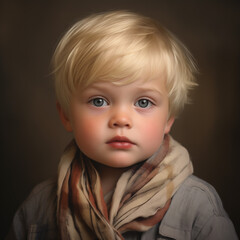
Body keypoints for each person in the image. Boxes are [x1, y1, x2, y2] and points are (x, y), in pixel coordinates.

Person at [6, 10, 238, 240]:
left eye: (143, 102)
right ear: (67, 115)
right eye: (99, 101)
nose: (121, 119)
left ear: (168, 120)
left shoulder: (197, 206)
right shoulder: (40, 206)